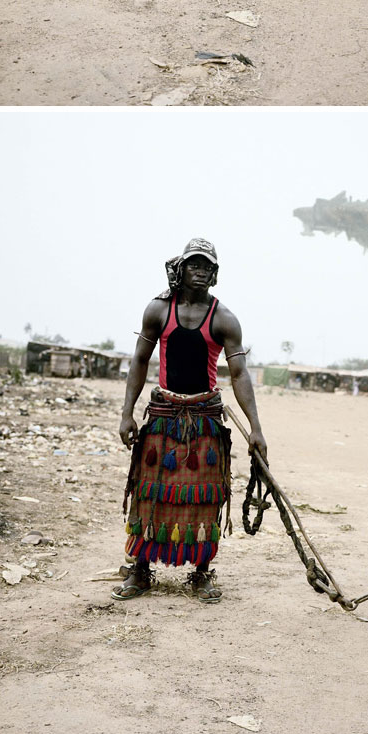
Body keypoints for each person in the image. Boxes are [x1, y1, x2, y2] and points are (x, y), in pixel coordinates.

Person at [113, 238, 268, 604]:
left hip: (205, 420)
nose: (200, 271)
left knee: (204, 498)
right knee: (150, 494)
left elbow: (240, 374)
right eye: (194, 264)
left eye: (207, 267)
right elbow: (139, 361)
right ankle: (141, 570)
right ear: (180, 270)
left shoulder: (225, 319)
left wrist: (256, 428)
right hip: (163, 417)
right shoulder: (157, 311)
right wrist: (126, 413)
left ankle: (200, 573)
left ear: (214, 275)